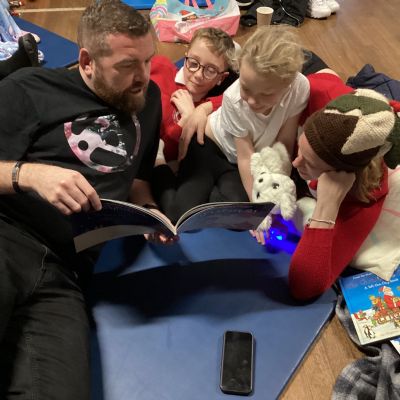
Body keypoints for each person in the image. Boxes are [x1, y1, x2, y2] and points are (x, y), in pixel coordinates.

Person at [0, 1, 174, 398]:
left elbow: (137, 177)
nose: (143, 77)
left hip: (66, 272)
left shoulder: (147, 99)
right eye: (128, 66)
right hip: (8, 236)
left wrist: (148, 211)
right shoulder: (29, 88)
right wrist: (31, 175)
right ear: (87, 61)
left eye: (148, 61)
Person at [152, 25, 310, 223]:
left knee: (237, 217)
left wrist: (273, 188)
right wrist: (258, 209)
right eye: (246, 88)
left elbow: (284, 143)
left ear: (288, 84)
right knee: (180, 215)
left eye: (265, 94)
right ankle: (159, 162)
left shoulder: (300, 87)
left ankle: (208, 193)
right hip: (208, 147)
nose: (251, 100)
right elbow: (245, 155)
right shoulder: (233, 98)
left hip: (235, 162)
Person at [289, 88, 400, 300]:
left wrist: (327, 207)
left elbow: (303, 286)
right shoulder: (326, 106)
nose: (295, 162)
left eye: (309, 163)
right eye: (300, 149)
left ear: (340, 172)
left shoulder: (365, 197)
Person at [150, 27, 238, 163]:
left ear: (221, 78)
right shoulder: (161, 68)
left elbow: (166, 157)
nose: (198, 75)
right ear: (186, 56)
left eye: (210, 70)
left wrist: (191, 116)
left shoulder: (211, 114)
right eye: (193, 63)